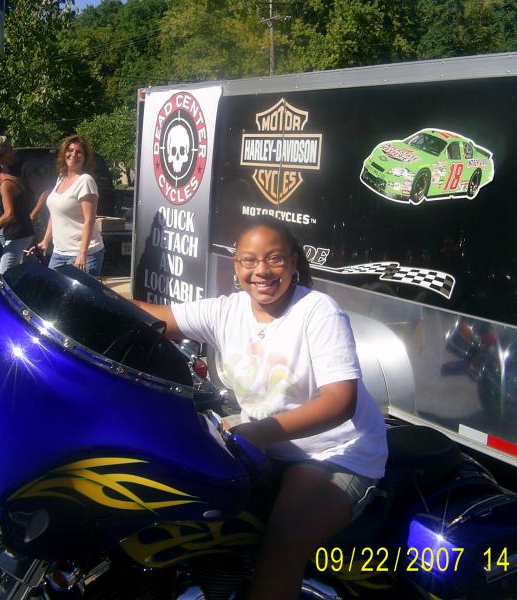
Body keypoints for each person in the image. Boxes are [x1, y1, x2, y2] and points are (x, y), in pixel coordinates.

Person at [134, 215, 387, 599]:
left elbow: (340, 401)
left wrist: (259, 432)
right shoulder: (228, 310)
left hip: (334, 453)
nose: (261, 271)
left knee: (284, 539)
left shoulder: (318, 311)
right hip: (262, 446)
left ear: (293, 262)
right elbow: (158, 319)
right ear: (235, 266)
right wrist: (86, 295)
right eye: (249, 260)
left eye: (274, 258)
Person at [31, 135, 104, 276]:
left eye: (79, 152)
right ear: (64, 153)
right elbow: (55, 214)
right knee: (52, 287)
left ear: (85, 157)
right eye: (70, 150)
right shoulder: (61, 178)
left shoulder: (85, 181)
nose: (73, 154)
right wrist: (45, 241)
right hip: (59, 253)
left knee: (81, 292)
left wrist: (82, 253)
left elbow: (89, 220)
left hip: (83, 255)